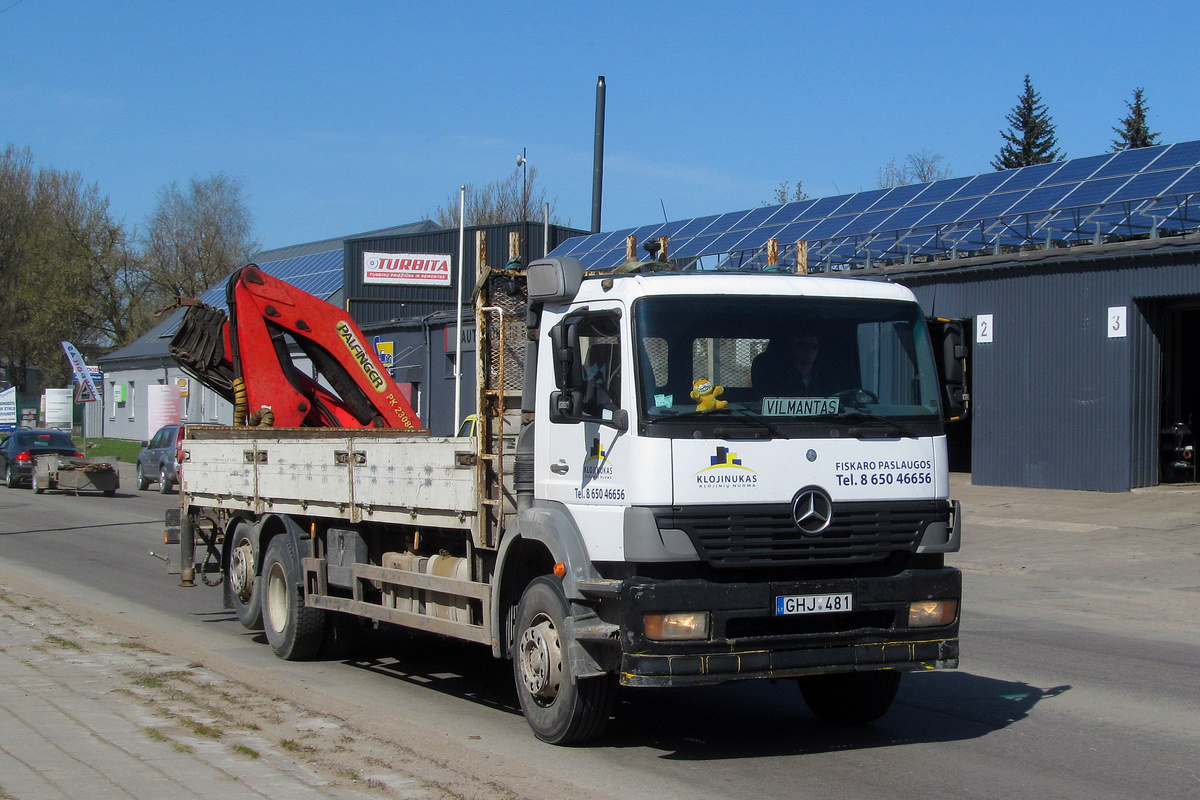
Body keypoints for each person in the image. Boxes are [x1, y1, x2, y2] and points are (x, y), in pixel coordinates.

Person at [752, 330, 831, 396]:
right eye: (803, 346)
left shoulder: (825, 380)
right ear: (792, 349)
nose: (810, 350)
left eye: (814, 346)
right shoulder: (778, 381)